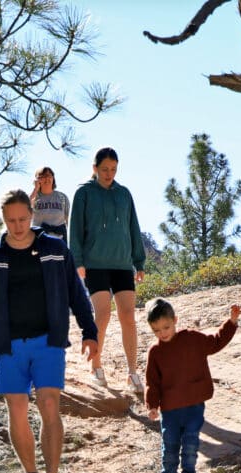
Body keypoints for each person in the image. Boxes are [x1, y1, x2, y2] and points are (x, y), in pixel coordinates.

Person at [0, 188, 98, 473]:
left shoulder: (55, 249)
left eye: (23, 218)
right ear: (3, 219)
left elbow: (76, 293)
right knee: (17, 408)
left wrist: (89, 332)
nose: (18, 225)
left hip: (48, 340)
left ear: (32, 215)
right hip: (7, 346)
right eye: (11, 220)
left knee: (49, 403)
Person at [145, 298, 241, 473]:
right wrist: (152, 405)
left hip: (194, 407)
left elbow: (216, 342)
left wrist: (231, 322)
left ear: (175, 321)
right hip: (170, 411)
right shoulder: (156, 352)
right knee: (169, 450)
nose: (163, 333)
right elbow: (152, 382)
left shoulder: (191, 339)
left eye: (166, 327)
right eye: (156, 331)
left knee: (190, 447)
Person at [69, 147, 146, 393]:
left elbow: (133, 227)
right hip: (95, 264)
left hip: (122, 264)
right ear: (94, 168)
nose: (109, 174)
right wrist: (78, 262)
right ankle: (96, 367)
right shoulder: (84, 193)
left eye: (113, 169)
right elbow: (76, 230)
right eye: (104, 169)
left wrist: (139, 261)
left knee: (128, 317)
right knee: (102, 314)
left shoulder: (124, 194)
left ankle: (132, 373)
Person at [30, 166, 70, 243]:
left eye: (49, 175)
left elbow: (68, 221)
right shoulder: (34, 196)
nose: (47, 178)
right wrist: (35, 189)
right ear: (37, 180)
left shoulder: (62, 197)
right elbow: (25, 210)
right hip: (39, 241)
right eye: (43, 176)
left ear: (53, 178)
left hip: (60, 241)